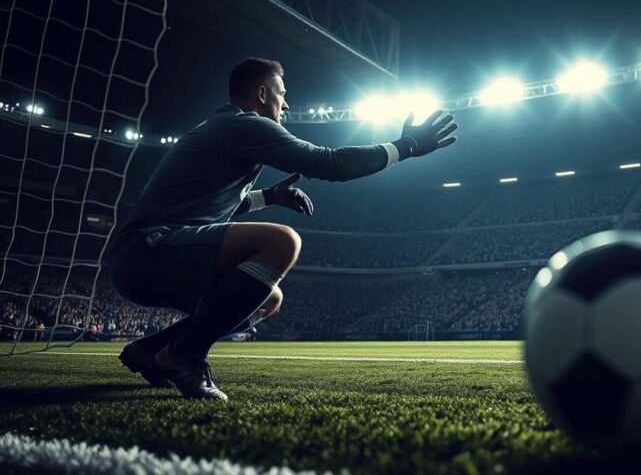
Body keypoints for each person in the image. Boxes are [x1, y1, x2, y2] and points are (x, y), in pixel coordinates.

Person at [106, 58, 457, 400]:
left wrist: (270, 196)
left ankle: (151, 350)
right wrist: (407, 146)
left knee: (268, 300)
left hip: (151, 253)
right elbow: (331, 163)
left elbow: (215, 203)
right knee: (282, 241)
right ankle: (184, 356)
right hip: (146, 251)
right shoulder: (243, 124)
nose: (286, 104)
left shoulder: (225, 128)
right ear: (262, 93)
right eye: (282, 94)